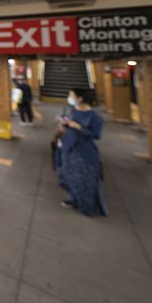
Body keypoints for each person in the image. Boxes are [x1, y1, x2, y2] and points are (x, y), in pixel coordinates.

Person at [57, 88, 107, 216]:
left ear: (80, 98)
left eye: (71, 95)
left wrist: (79, 127)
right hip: (68, 146)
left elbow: (96, 135)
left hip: (84, 151)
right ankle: (73, 198)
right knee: (68, 175)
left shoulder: (95, 118)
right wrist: (64, 124)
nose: (69, 97)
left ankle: (87, 206)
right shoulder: (72, 110)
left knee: (84, 179)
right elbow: (68, 126)